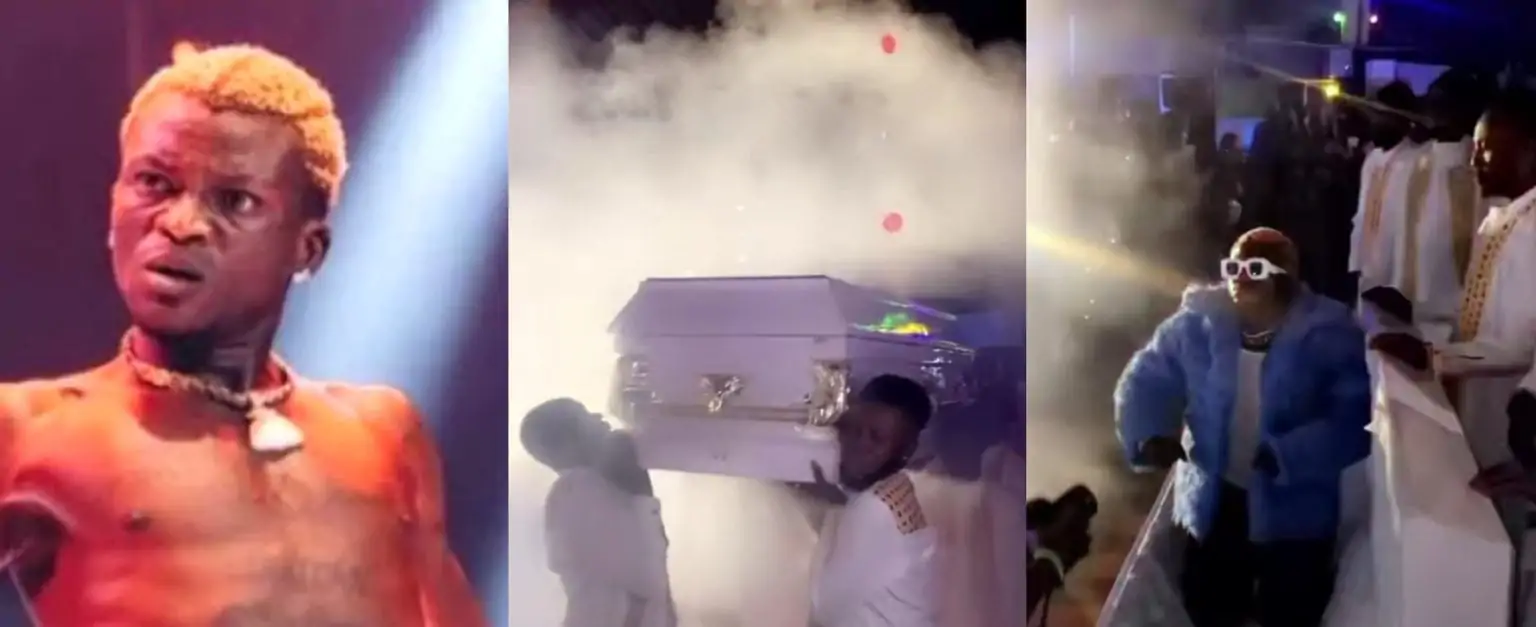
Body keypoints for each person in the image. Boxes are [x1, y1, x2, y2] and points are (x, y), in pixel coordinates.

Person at [0, 44, 485, 625]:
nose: (180, 224)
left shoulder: (384, 430)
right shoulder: (25, 430)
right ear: (113, 205)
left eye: (234, 200)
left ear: (308, 248)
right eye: (154, 182)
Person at [1115, 228, 1372, 627]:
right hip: (1217, 500)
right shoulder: (1197, 326)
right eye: (1233, 268)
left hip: (1295, 510)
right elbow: (1147, 378)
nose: (1241, 279)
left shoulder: (1328, 335)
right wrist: (1149, 433)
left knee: (1291, 611)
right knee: (1209, 606)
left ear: (1284, 277)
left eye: (1255, 269)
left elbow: (1354, 416)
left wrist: (1291, 455)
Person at [796, 374, 940, 627]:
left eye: (877, 437)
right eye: (854, 429)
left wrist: (831, 512)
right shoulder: (897, 488)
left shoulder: (875, 509)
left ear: (905, 450)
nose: (859, 444)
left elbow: (824, 604)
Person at [520, 398, 675, 627]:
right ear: (565, 445)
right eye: (583, 417)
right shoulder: (577, 489)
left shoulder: (590, 488)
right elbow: (641, 575)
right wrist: (640, 486)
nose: (599, 417)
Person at [1360, 70, 1489, 342]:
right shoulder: (1415, 162)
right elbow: (1398, 232)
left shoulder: (1478, 170)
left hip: (1456, 318)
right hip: (1408, 307)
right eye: (1430, 104)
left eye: (1442, 105)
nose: (1432, 113)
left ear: (1464, 111)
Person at [1351, 81, 1430, 316]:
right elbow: (1362, 215)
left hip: (1397, 277)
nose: (1373, 122)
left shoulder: (1417, 160)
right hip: (1368, 268)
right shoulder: (1372, 159)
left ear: (1400, 118)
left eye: (1380, 116)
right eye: (1373, 114)